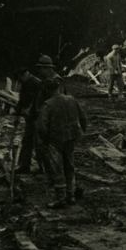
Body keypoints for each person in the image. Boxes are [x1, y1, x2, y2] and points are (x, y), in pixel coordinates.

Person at [36, 78, 89, 208]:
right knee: (69, 165)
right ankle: (70, 194)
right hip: (71, 138)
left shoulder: (47, 105)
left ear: (48, 90)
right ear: (58, 88)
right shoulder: (71, 99)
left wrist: (44, 140)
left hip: (55, 140)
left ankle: (61, 198)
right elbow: (83, 118)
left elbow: (42, 127)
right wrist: (80, 132)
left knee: (57, 167)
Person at [11, 66, 46, 174]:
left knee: (39, 143)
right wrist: (17, 115)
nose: (21, 81)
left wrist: (32, 110)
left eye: (22, 78)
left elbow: (40, 101)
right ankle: (24, 166)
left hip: (37, 117)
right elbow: (22, 100)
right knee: (26, 141)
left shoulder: (37, 83)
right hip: (29, 118)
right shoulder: (25, 83)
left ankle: (43, 168)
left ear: (26, 74)